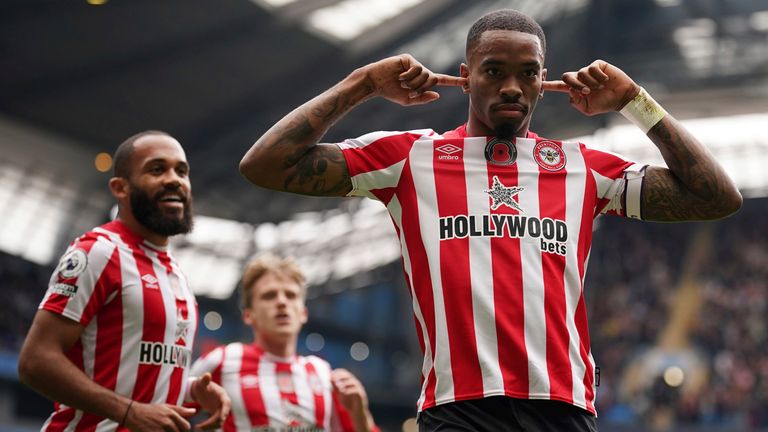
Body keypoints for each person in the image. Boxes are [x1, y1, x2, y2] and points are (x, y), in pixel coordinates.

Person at [238, 9, 741, 432]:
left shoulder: (580, 166)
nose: (512, 87)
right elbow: (265, 164)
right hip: (458, 408)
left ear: (545, 81)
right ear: (465, 74)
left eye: (528, 73)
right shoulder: (411, 158)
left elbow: (717, 197)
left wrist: (635, 100)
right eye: (494, 71)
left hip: (562, 407)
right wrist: (363, 84)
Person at [18, 131, 231, 432]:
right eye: (157, 169)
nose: (174, 179)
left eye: (181, 171)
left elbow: (136, 377)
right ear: (120, 188)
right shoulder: (99, 251)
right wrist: (129, 412)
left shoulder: (177, 275)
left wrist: (192, 388)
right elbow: (35, 361)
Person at [190, 254, 379, 432]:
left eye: (290, 295)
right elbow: (168, 411)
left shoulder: (323, 373)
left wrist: (361, 414)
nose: (282, 302)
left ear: (303, 313)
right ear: (248, 315)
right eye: (269, 296)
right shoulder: (222, 360)